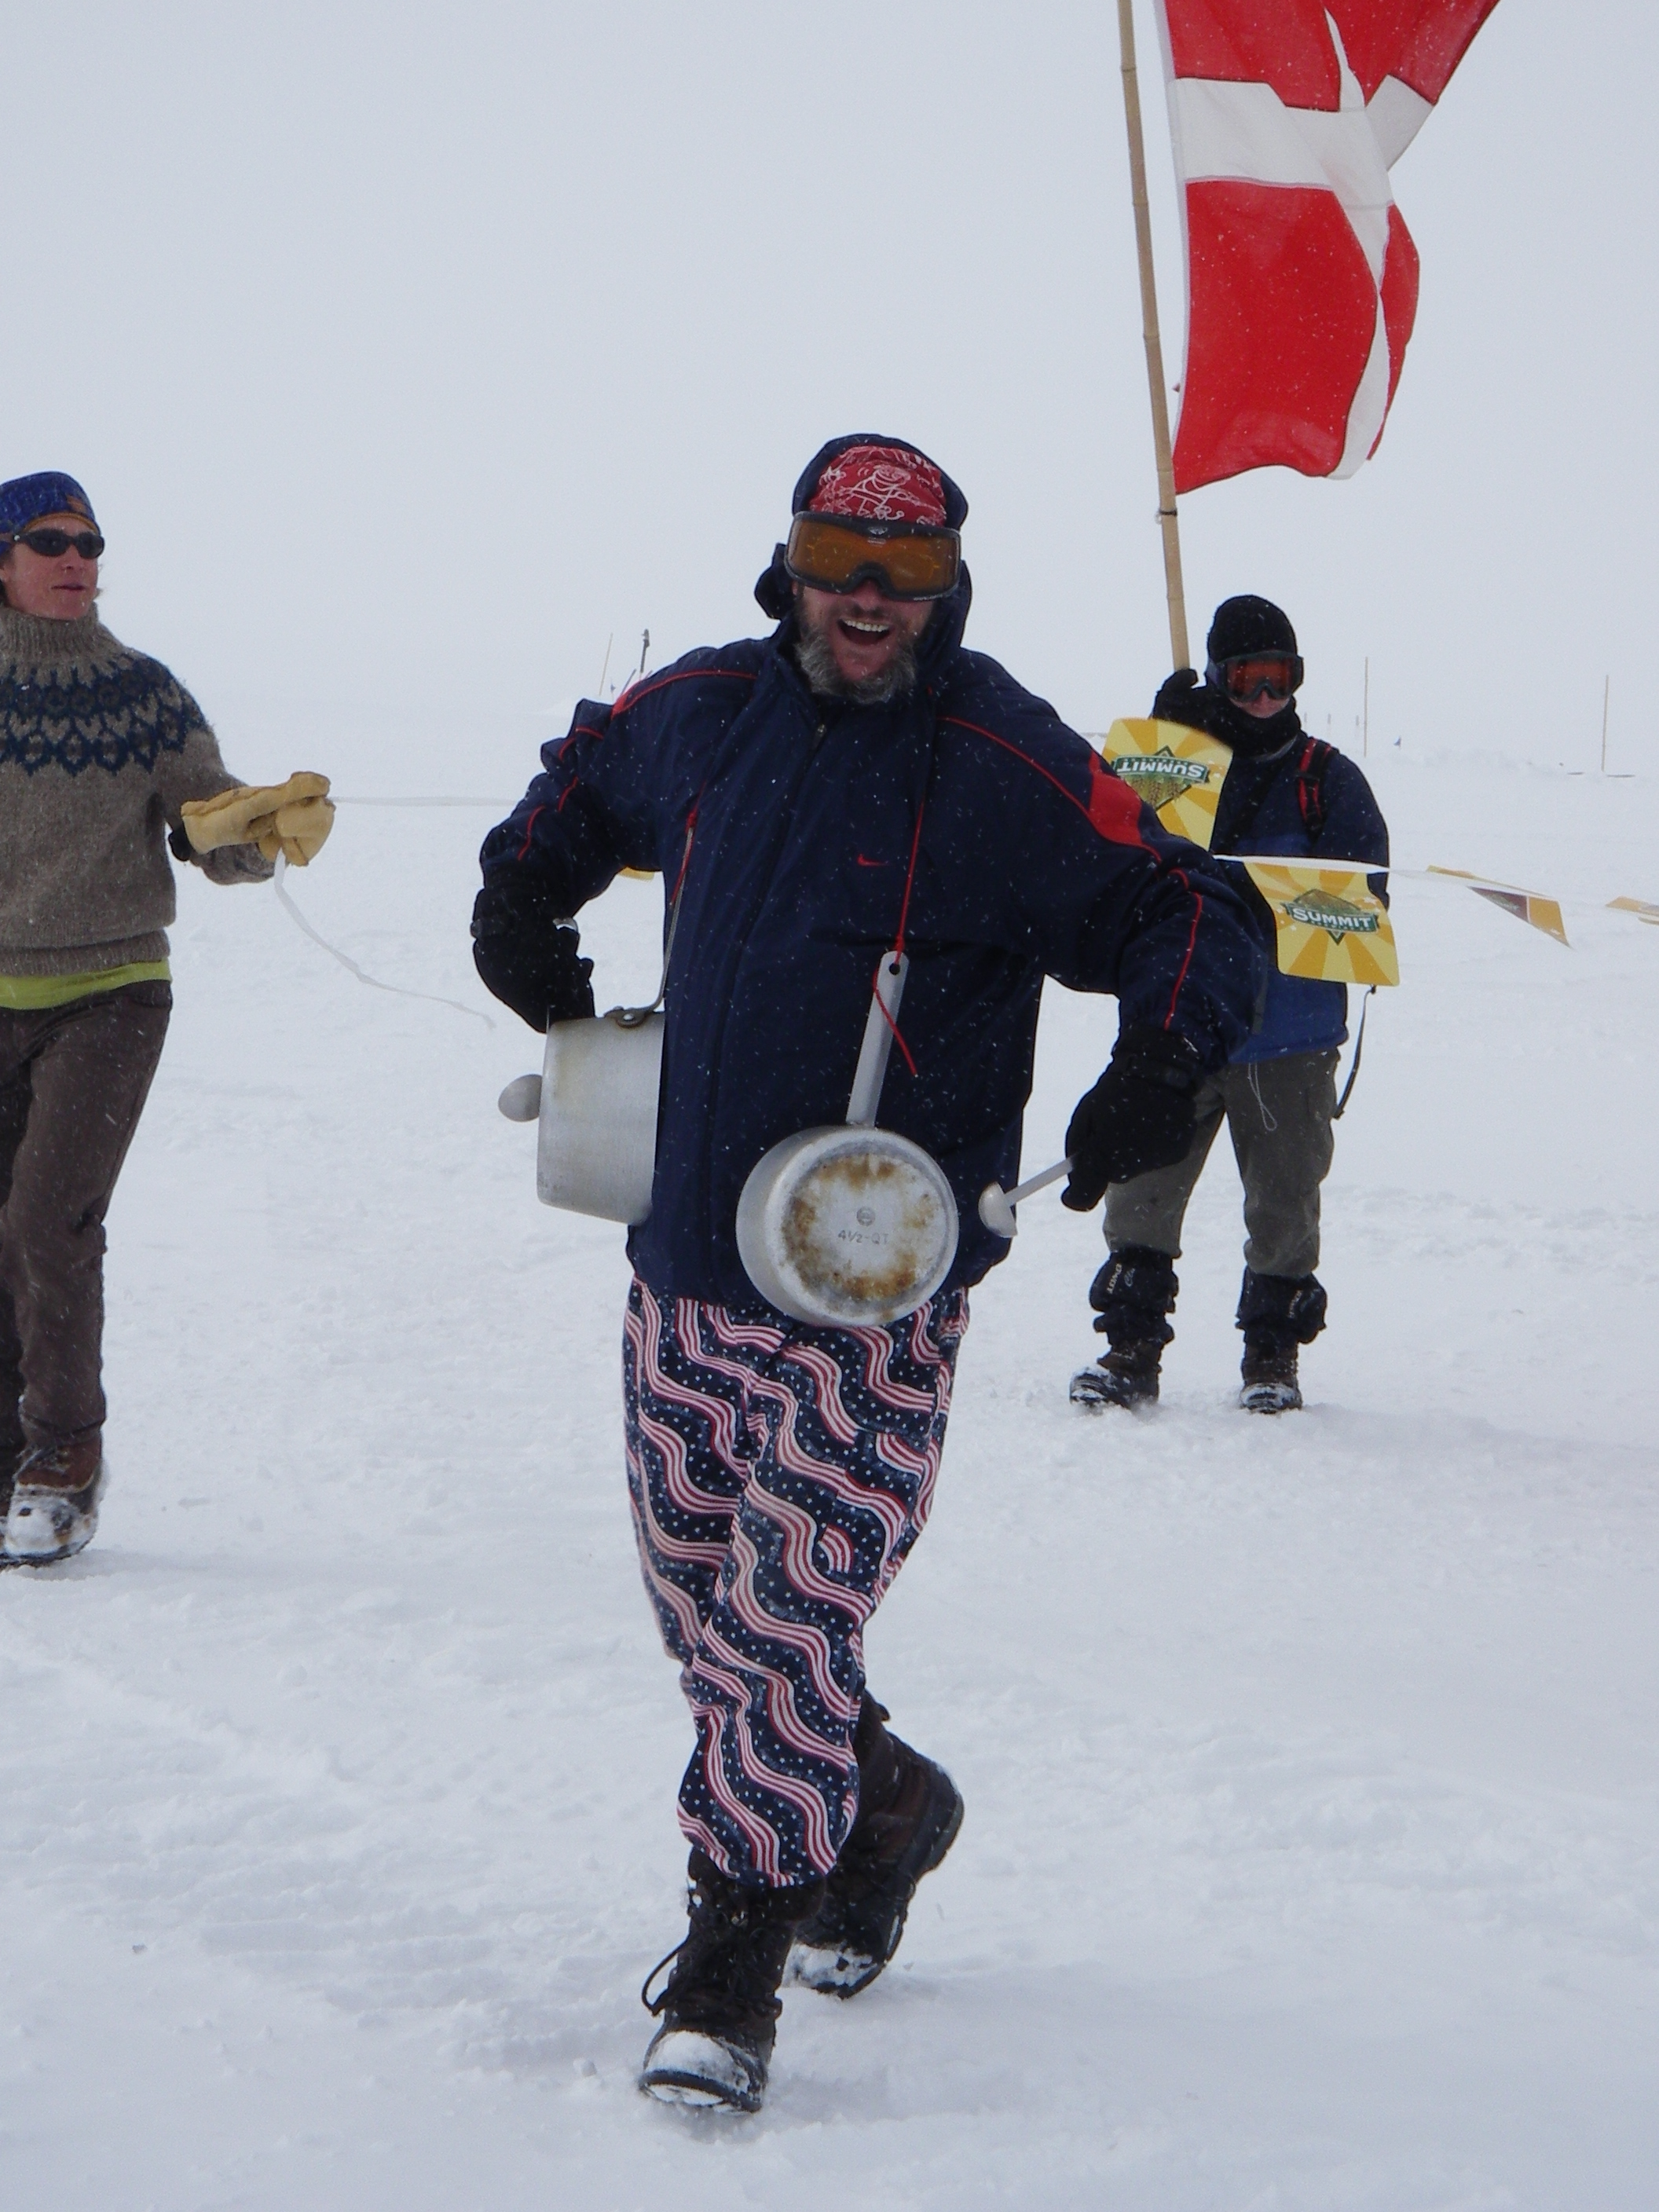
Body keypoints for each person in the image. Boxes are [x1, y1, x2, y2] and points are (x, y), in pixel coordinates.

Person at [472, 434, 1264, 2112]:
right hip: (688, 1255)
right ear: (793, 560)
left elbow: (1186, 901)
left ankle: (732, 1953)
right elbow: (588, 773)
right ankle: (884, 1805)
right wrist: (522, 888)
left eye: (908, 570)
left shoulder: (997, 756)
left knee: (784, 1615)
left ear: (948, 584)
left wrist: (1160, 1055)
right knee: (707, 1608)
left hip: (875, 1283)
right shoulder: (705, 708)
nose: (870, 596)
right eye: (842, 557)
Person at [0, 471, 333, 1567]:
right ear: (4, 560)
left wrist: (256, 835)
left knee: (47, 1220)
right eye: (51, 540)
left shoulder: (141, 695)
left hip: (110, 996)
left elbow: (206, 826)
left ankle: (63, 1456)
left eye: (90, 542)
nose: (76, 559)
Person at [1071, 594, 1389, 1417]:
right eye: (1248, 679)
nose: (1265, 697)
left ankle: (1272, 1354)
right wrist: (1161, 749)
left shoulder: (1326, 780)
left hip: (1290, 1038)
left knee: (1284, 1204)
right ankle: (1130, 1346)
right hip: (1179, 1026)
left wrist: (1259, 899)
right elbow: (1117, 849)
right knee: (1142, 1188)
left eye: (1281, 678)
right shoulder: (1180, 762)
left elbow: (1364, 905)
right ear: (1218, 676)